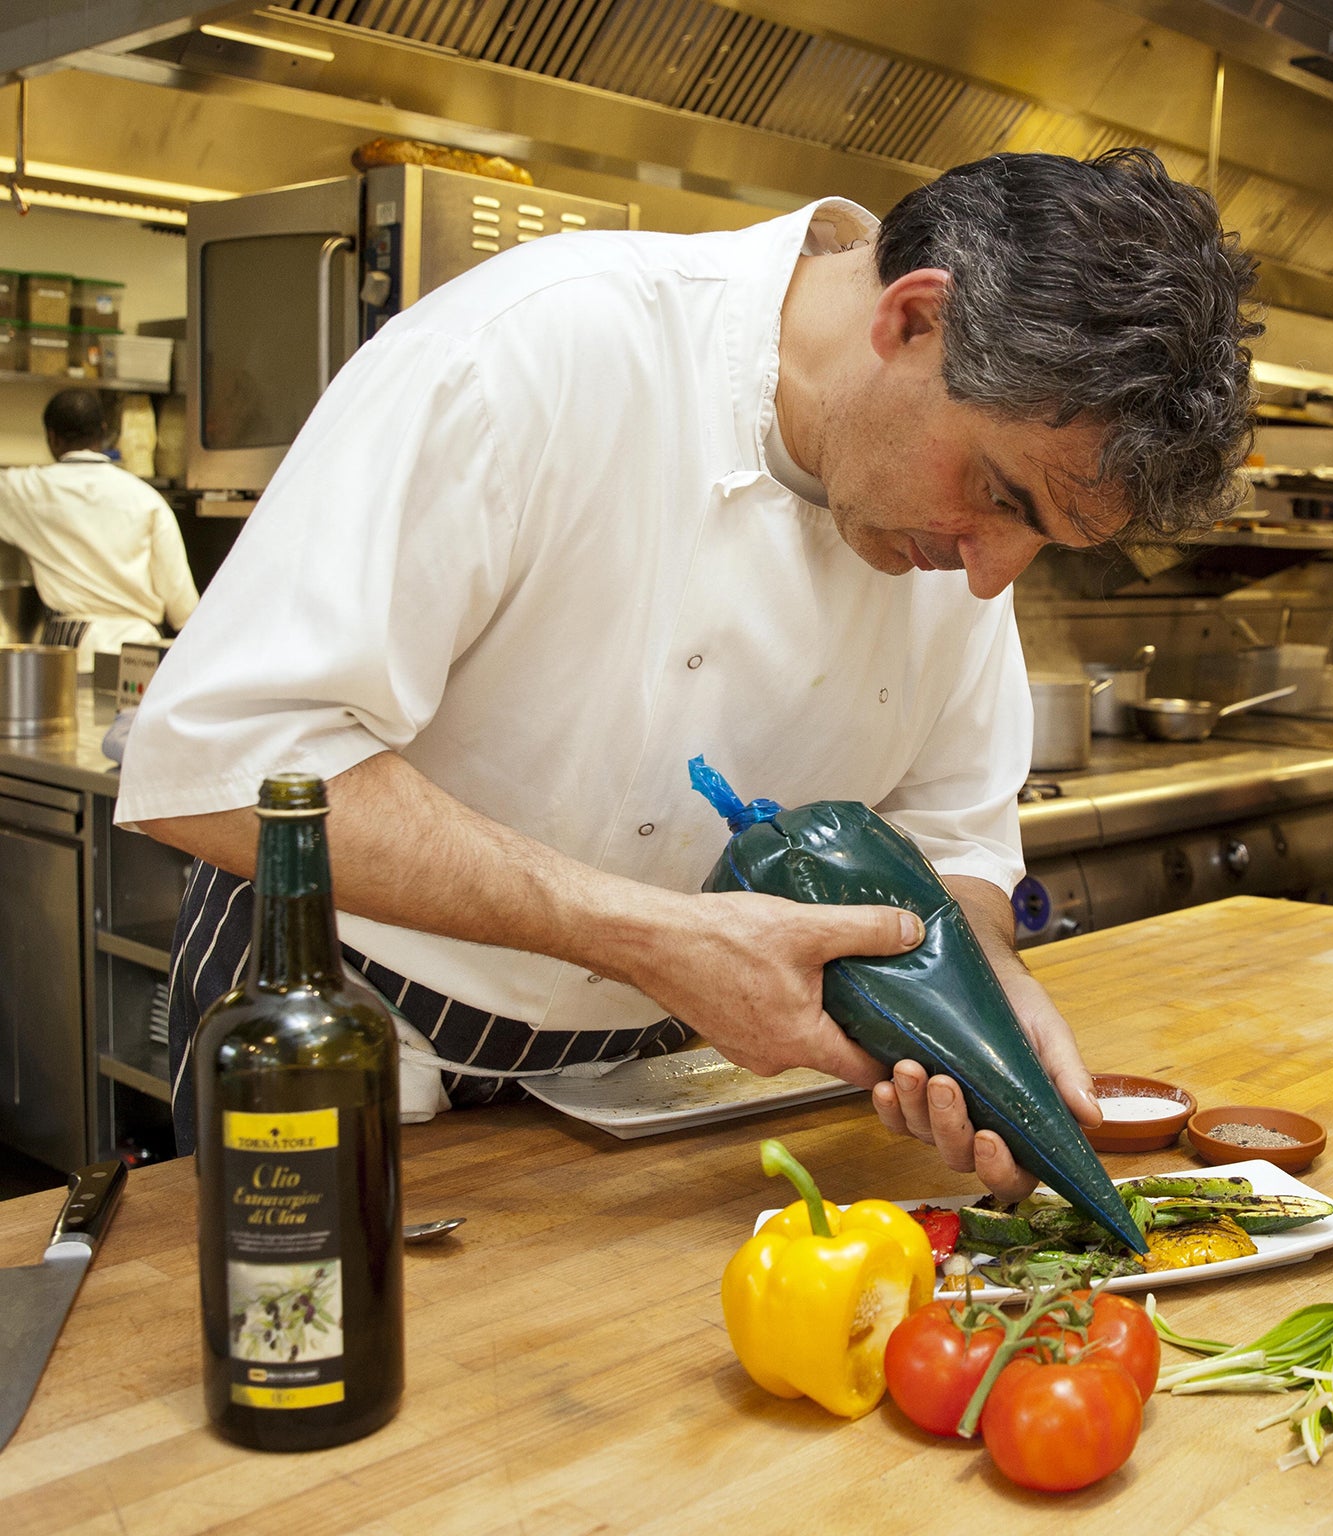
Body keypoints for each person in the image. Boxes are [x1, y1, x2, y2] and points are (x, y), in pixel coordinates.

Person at [115, 149, 1261, 1186]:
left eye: (1042, 541)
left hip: (656, 1095)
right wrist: (652, 939)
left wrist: (981, 988)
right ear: (915, 321)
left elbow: (953, 837)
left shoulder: (954, 510)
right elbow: (226, 761)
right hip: (347, 1033)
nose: (988, 578)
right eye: (1000, 500)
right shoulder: (533, 352)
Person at [0, 389, 198, 670]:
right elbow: (184, 609)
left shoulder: (29, 490)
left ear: (52, 437)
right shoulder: (147, 499)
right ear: (104, 434)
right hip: (140, 652)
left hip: (72, 652)